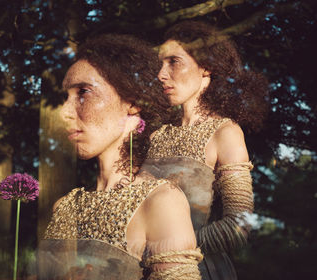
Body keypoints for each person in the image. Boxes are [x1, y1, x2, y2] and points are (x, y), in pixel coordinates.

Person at [38, 34, 203, 280]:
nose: (64, 112)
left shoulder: (160, 201)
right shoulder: (65, 207)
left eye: (84, 92)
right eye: (67, 97)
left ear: (132, 102)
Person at [142, 21, 269, 279]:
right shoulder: (155, 134)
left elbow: (239, 225)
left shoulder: (225, 133)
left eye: (174, 61)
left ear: (206, 66)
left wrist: (168, 249)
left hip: (199, 271)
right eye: (160, 65)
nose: (161, 74)